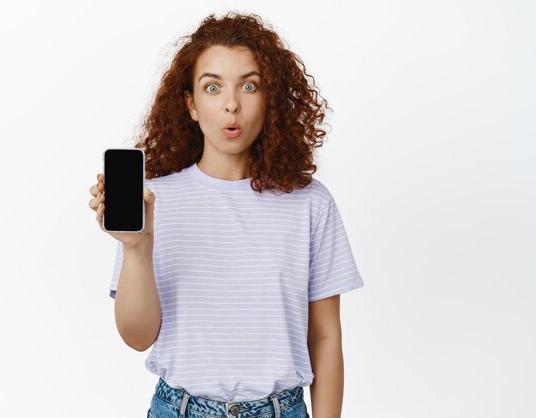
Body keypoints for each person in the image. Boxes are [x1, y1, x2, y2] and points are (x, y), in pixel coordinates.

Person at [88, 11, 364, 418]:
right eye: (212, 87)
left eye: (249, 86)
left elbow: (324, 337)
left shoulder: (310, 203)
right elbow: (137, 336)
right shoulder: (154, 201)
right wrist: (137, 247)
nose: (231, 104)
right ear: (191, 104)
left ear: (269, 98)